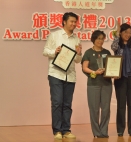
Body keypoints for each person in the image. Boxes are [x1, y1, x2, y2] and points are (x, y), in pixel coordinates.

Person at [43, 12, 82, 140]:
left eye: (75, 22)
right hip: (56, 73)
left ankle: (66, 130)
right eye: (71, 21)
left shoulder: (76, 39)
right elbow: (45, 51)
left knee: (67, 104)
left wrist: (79, 53)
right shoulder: (55, 35)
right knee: (57, 102)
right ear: (64, 21)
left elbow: (77, 60)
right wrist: (55, 51)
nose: (73, 24)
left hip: (70, 75)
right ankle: (57, 131)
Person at [81, 30, 112, 138]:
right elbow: (84, 68)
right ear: (93, 39)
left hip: (107, 84)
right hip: (93, 84)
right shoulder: (88, 53)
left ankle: (104, 131)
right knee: (94, 109)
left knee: (106, 109)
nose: (100, 41)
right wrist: (95, 72)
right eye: (98, 38)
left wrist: (114, 73)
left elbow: (112, 67)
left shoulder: (107, 52)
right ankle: (96, 132)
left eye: (102, 38)